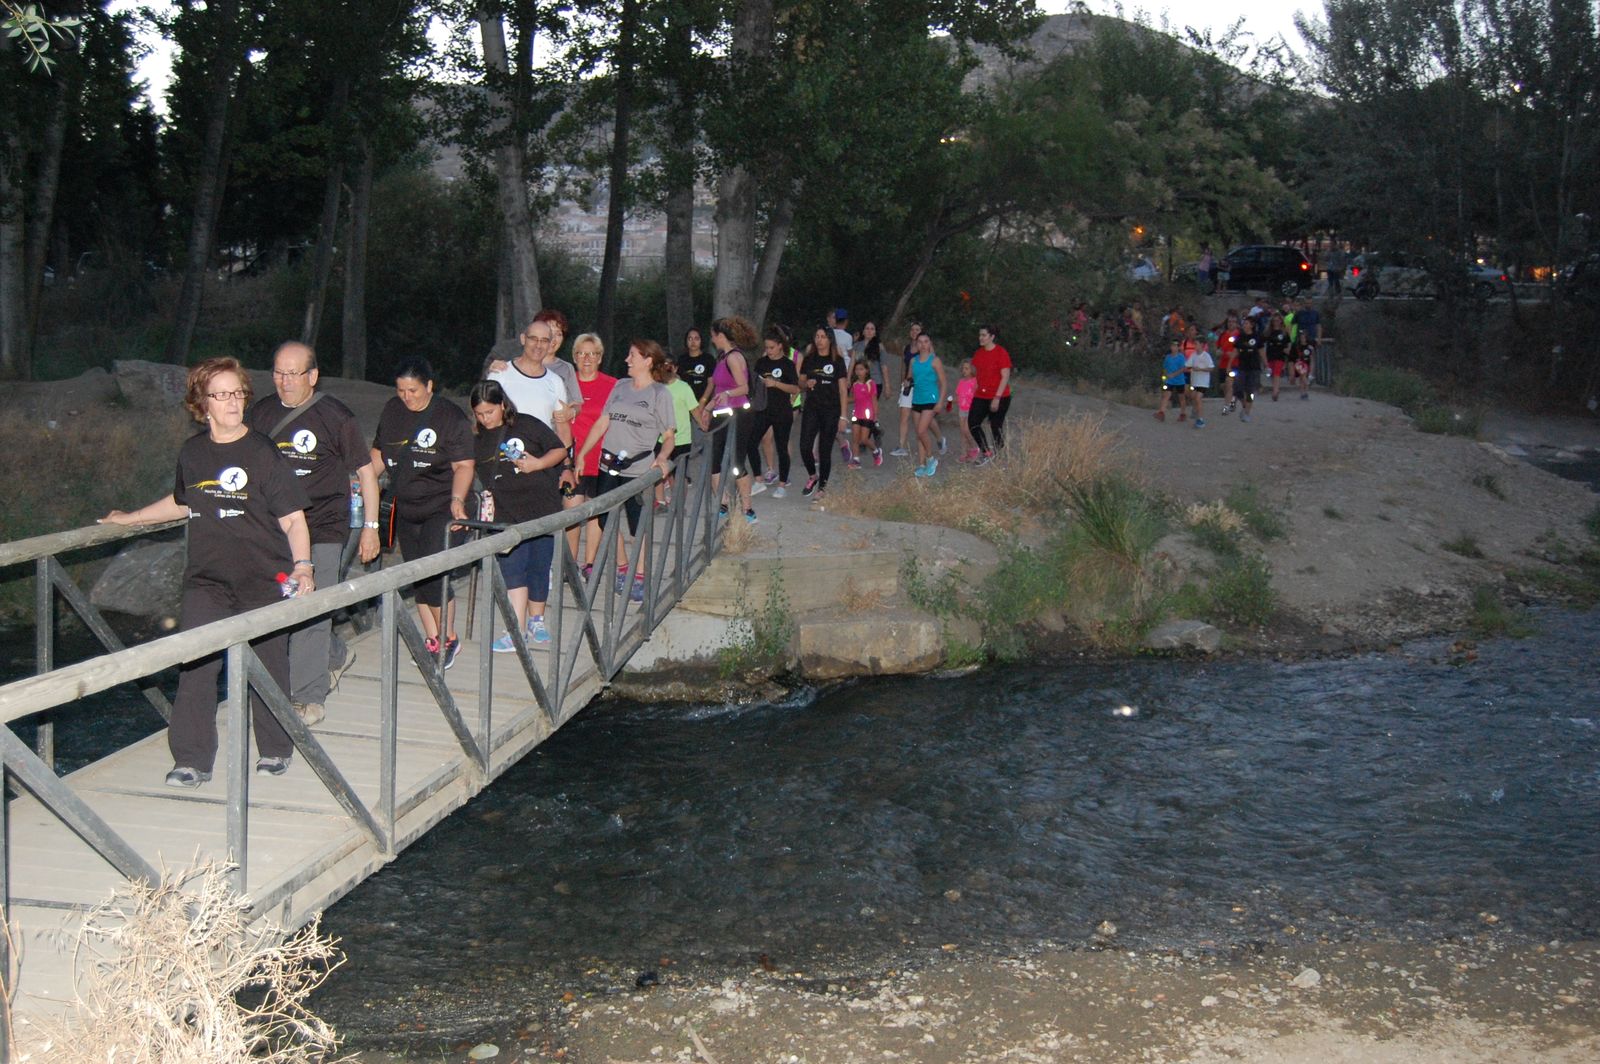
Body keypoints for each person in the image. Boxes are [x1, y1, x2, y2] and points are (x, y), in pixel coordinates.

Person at [101, 357, 313, 788]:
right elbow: (182, 502)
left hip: (263, 578)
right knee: (195, 665)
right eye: (222, 394)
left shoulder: (261, 452)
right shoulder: (193, 452)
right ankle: (192, 759)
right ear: (203, 403)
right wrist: (133, 518)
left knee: (268, 666)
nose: (233, 402)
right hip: (207, 581)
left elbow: (293, 518)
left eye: (237, 393)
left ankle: (275, 749)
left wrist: (304, 567)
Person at [245, 341, 380, 729]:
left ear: (313, 376)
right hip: (276, 528)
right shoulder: (263, 413)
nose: (285, 381)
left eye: (294, 373)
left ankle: (308, 698)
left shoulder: (335, 416)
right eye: (278, 372)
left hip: (323, 525)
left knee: (310, 609)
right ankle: (335, 654)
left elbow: (367, 472)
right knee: (278, 607)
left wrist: (370, 527)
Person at [371, 357, 475, 669]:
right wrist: (360, 480)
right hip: (406, 505)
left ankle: (448, 638)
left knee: (433, 573)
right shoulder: (392, 410)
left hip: (439, 506)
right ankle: (433, 639)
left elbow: (464, 465)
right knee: (417, 574)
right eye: (401, 390)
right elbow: (379, 453)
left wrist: (458, 498)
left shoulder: (449, 417)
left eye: (413, 390)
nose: (407, 397)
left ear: (429, 386)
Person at [572, 340, 678, 602]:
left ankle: (639, 576)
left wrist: (662, 459)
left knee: (637, 524)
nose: (627, 360)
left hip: (639, 468)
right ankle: (622, 566)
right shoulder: (620, 386)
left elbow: (669, 436)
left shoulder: (659, 394)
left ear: (647, 361)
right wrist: (583, 454)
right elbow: (602, 422)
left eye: (632, 355)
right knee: (604, 519)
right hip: (608, 465)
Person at [470, 380, 567, 651]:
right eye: (479, 414)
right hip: (505, 513)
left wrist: (537, 464)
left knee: (538, 566)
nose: (485, 418)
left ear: (502, 405)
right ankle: (517, 629)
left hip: (541, 508)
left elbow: (559, 449)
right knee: (513, 570)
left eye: (490, 412)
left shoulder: (527, 424)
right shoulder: (477, 438)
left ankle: (536, 620)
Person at [562, 332, 618, 580]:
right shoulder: (564, 383)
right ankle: (569, 563)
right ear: (574, 357)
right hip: (572, 458)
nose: (587, 358)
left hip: (601, 457)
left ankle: (590, 563)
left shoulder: (613, 385)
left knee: (596, 511)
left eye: (593, 354)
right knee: (572, 509)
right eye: (582, 353)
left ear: (600, 357)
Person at [700, 316, 760, 523]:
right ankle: (723, 503)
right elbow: (719, 388)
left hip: (738, 415)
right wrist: (707, 407)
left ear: (721, 336)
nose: (712, 339)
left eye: (713, 335)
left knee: (736, 461)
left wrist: (728, 395)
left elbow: (744, 387)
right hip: (720, 414)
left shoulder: (734, 358)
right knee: (714, 461)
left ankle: (748, 509)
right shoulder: (721, 357)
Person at [488, 318, 570, 442]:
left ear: (549, 344)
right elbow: (485, 416)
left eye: (544, 340)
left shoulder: (556, 381)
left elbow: (562, 428)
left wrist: (564, 457)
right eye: (533, 339)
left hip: (542, 456)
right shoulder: (500, 374)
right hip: (504, 453)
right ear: (523, 339)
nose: (538, 345)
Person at [797, 324, 849, 498]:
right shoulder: (809, 359)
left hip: (831, 410)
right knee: (805, 446)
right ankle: (813, 475)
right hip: (812, 407)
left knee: (825, 450)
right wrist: (806, 384)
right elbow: (800, 383)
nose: (819, 340)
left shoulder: (837, 361)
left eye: (822, 337)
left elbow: (843, 390)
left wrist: (843, 416)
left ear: (829, 339)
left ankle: (822, 488)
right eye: (817, 336)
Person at [753, 324, 801, 496]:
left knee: (782, 447)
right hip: (763, 410)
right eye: (766, 347)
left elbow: (795, 389)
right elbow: (754, 384)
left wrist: (776, 384)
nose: (769, 350)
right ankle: (758, 480)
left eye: (772, 347)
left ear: (781, 345)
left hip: (782, 410)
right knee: (751, 442)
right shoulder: (761, 363)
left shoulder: (788, 364)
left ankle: (782, 485)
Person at [654, 355, 698, 509]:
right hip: (661, 438)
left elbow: (694, 410)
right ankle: (661, 502)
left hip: (682, 439)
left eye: (669, 365)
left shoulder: (684, 387)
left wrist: (704, 426)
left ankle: (678, 505)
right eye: (663, 365)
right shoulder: (656, 387)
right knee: (661, 471)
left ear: (676, 368)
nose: (666, 368)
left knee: (679, 475)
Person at [969, 324, 1013, 458]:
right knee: (973, 423)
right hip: (981, 395)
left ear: (992, 337)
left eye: (984, 335)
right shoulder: (979, 353)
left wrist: (997, 398)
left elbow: (1005, 376)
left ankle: (1001, 455)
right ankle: (986, 452)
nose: (980, 338)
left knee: (995, 426)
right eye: (980, 335)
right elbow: (975, 373)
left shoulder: (1001, 352)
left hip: (1000, 396)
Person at [908, 330, 947, 478]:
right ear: (916, 345)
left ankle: (931, 459)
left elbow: (943, 383)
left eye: (926, 341)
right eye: (920, 342)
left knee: (921, 430)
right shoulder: (913, 361)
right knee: (919, 434)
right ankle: (922, 464)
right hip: (917, 399)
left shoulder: (934, 360)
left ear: (930, 343)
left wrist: (940, 402)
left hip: (931, 398)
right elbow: (910, 377)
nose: (923, 345)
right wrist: (907, 381)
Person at [891, 321, 922, 457]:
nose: (914, 332)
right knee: (904, 415)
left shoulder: (925, 347)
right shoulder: (906, 347)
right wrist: (902, 381)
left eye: (917, 330)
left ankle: (924, 444)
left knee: (919, 418)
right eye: (913, 330)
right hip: (908, 385)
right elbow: (904, 365)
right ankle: (902, 446)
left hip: (920, 385)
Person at [847, 359, 883, 468]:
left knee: (864, 439)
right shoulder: (855, 384)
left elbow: (874, 400)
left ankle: (876, 452)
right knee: (855, 438)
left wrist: (875, 416)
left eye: (861, 369)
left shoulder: (870, 383)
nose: (858, 372)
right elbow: (853, 398)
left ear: (866, 370)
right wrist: (843, 399)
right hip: (857, 414)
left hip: (868, 415)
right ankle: (856, 460)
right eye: (857, 369)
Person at [1235, 316, 1265, 423]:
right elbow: (1236, 351)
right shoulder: (1240, 337)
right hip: (1242, 366)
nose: (1244, 325)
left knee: (1250, 391)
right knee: (1237, 389)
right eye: (1244, 323)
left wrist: (1266, 364)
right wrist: (1230, 363)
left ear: (1251, 325)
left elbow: (1261, 351)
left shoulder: (1257, 337)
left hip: (1254, 367)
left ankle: (1247, 412)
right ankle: (1244, 405)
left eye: (1246, 323)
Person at [1155, 338, 1188, 422]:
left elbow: (1183, 368)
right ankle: (1161, 412)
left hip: (1179, 380)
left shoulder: (1181, 357)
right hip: (1169, 380)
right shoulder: (1168, 357)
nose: (1173, 348)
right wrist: (1165, 375)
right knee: (1166, 395)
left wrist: (1174, 374)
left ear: (1178, 347)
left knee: (1181, 397)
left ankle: (1183, 413)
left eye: (1175, 346)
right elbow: (1165, 367)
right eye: (1172, 346)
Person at [954, 359, 980, 461]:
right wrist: (949, 401)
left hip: (971, 410)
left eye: (967, 368)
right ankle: (964, 453)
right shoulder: (961, 382)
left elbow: (978, 396)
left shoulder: (975, 382)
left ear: (972, 369)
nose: (964, 371)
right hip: (962, 409)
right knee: (962, 432)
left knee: (966, 430)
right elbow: (958, 397)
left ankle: (974, 447)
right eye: (963, 368)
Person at [1186, 336, 1214, 428]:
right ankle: (1195, 410)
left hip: (1203, 382)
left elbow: (1211, 368)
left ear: (1202, 345)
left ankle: (1200, 419)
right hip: (1194, 381)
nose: (1195, 346)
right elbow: (1187, 365)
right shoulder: (1193, 355)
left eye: (1197, 344)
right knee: (1193, 396)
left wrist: (1201, 369)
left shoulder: (1206, 356)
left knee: (1198, 398)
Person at [1264, 312, 1291, 401]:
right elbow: (1263, 343)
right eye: (1274, 320)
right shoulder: (1268, 332)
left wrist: (1287, 350)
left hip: (1280, 354)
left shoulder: (1283, 332)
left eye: (1278, 320)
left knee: (1277, 372)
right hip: (1270, 354)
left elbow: (1288, 342)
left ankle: (1275, 391)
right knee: (1272, 373)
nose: (1276, 322)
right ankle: (1275, 388)